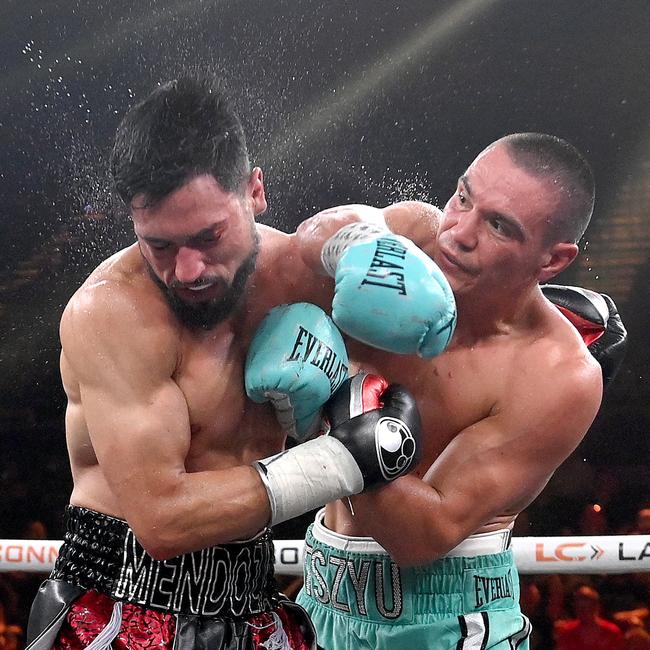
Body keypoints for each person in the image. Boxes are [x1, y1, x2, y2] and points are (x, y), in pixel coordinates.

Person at [25, 75, 435, 650]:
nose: (188, 270)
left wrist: (528, 307)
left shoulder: (296, 273)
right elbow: (162, 521)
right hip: (121, 604)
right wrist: (343, 461)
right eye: (159, 245)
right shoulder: (112, 312)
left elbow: (422, 226)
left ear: (255, 191)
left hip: (253, 598)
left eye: (208, 236)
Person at [293, 132, 626, 649]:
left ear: (553, 260)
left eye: (498, 226)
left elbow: (419, 536)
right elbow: (310, 237)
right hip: (320, 598)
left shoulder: (557, 373)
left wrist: (338, 389)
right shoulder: (416, 235)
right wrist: (356, 246)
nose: (458, 233)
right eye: (463, 198)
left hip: (446, 620)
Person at [554, 585, 625, 649]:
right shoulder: (567, 632)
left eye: (587, 608)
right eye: (580, 608)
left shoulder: (611, 632)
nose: (584, 612)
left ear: (597, 607)